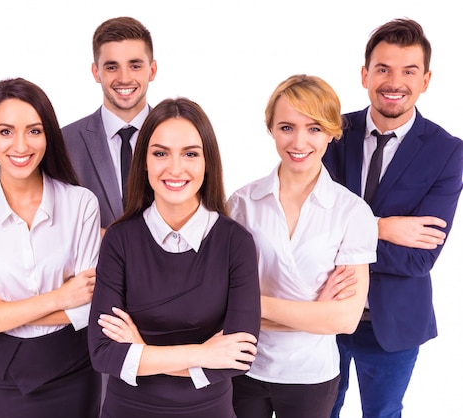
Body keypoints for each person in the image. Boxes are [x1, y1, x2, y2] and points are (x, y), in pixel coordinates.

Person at [322, 18, 463, 417]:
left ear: (427, 80)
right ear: (365, 74)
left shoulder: (447, 152)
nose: (394, 81)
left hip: (393, 323)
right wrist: (382, 228)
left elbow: (421, 258)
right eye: (383, 69)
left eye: (408, 71)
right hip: (322, 310)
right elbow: (305, 230)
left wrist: (341, 240)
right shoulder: (331, 133)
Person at [88, 97, 261, 418]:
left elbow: (238, 357)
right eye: (160, 153)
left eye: (190, 154)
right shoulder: (119, 239)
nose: (175, 168)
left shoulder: (235, 242)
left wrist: (142, 353)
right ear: (144, 161)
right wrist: (203, 353)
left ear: (207, 162)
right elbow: (103, 353)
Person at [0, 78, 102, 418]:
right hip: (2, 379)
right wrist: (59, 298)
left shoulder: (80, 204)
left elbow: (90, 309)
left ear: (48, 136)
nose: (20, 145)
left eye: (34, 130)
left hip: (73, 372)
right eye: (5, 132)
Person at [228, 74, 378, 418]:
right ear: (271, 129)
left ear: (331, 132)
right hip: (244, 365)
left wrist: (254, 305)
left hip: (312, 375)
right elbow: (222, 303)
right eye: (286, 127)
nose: (299, 141)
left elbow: (345, 319)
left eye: (313, 128)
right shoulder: (241, 204)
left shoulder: (353, 213)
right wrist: (313, 314)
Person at [62, 16, 157, 233]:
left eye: (135, 65)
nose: (124, 78)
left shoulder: (178, 136)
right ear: (96, 73)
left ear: (152, 71)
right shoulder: (65, 142)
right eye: (112, 67)